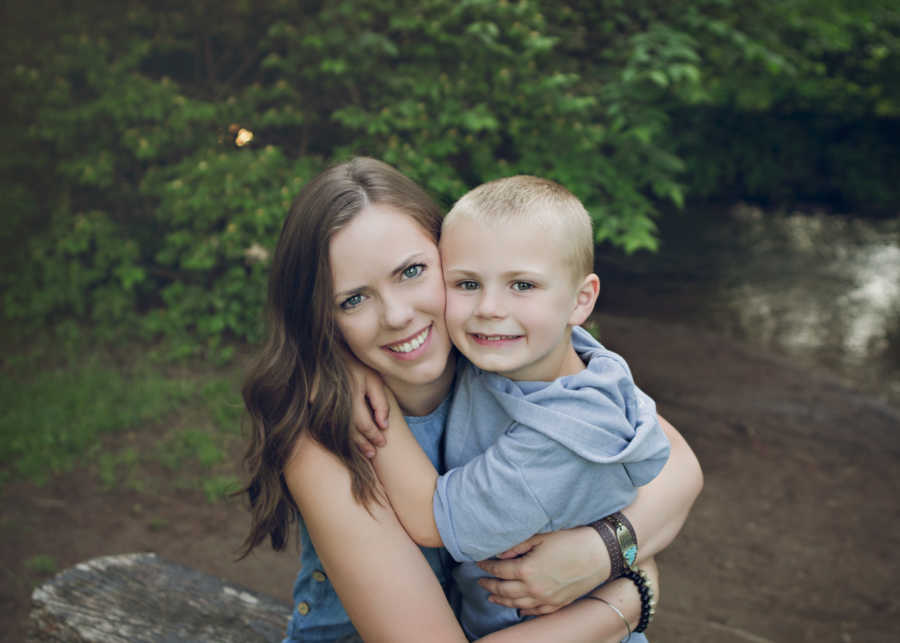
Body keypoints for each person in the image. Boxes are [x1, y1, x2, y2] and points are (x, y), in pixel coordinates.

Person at [239, 157, 703, 642]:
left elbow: (678, 466)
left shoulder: (497, 357)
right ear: (322, 318)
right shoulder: (330, 434)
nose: (396, 315)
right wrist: (628, 598)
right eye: (353, 299)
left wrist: (602, 551)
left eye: (412, 271)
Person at [370, 175, 670, 640]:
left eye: (522, 285)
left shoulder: (565, 434)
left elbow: (433, 521)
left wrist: (360, 389)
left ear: (580, 300)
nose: (489, 307)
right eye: (467, 283)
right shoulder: (538, 355)